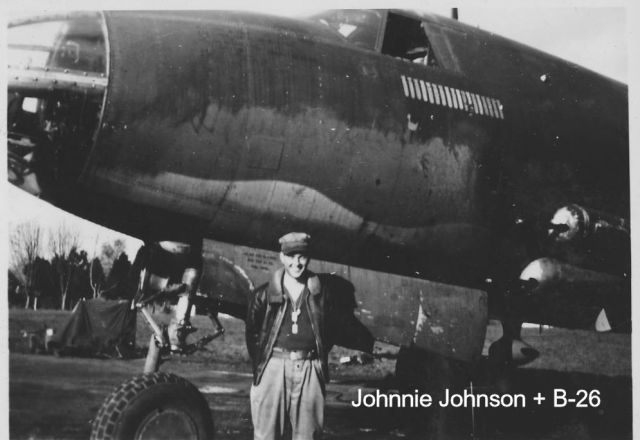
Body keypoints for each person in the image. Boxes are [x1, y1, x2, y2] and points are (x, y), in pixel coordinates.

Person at [245, 232, 339, 440]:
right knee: (266, 435)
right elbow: (253, 334)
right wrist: (265, 365)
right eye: (291, 256)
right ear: (282, 257)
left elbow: (329, 332)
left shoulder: (322, 295)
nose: (296, 263)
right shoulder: (263, 294)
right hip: (273, 366)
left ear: (309, 258)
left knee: (309, 435)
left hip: (309, 368)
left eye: (302, 256)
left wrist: (314, 359)